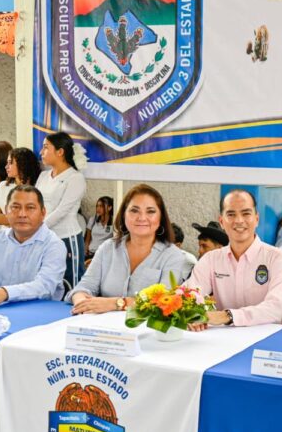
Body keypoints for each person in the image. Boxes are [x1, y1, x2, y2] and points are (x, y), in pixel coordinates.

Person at [68, 185, 188, 314]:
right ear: (124, 214)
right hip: (102, 327)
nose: (142, 218)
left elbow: (166, 301)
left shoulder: (173, 255)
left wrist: (117, 304)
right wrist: (82, 303)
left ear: (161, 218)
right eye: (134, 210)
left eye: (150, 211)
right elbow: (84, 287)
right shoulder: (107, 248)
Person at [185, 189, 282, 329]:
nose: (239, 220)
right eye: (231, 214)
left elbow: (274, 309)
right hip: (224, 339)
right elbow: (190, 295)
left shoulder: (278, 258)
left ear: (257, 219)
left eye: (246, 213)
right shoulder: (210, 259)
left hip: (271, 338)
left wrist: (227, 316)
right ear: (222, 221)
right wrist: (194, 314)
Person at [37, 132, 87, 288]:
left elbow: (62, 211)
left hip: (66, 237)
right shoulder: (43, 176)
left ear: (60, 152)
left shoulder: (75, 178)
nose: (41, 152)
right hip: (43, 236)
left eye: (46, 148)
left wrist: (36, 228)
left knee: (70, 282)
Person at [0, 147, 42, 227]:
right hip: (7, 236)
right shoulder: (3, 186)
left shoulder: (39, 186)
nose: (6, 166)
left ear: (22, 164)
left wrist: (8, 219)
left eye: (10, 163)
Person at [84, 196, 114, 261]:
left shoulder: (114, 221)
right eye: (97, 206)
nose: (98, 208)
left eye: (101, 206)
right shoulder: (93, 220)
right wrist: (85, 251)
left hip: (105, 256)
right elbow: (87, 240)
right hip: (91, 254)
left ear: (109, 207)